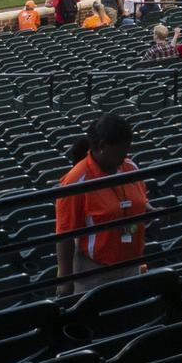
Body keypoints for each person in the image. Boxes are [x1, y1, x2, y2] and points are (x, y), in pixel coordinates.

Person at [55, 113, 148, 293]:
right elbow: (64, 236)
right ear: (103, 146)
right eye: (121, 151)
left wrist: (152, 210)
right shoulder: (76, 181)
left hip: (132, 265)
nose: (125, 157)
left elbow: (139, 202)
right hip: (95, 274)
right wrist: (65, 281)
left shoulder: (130, 167)